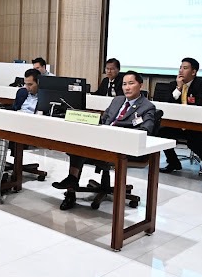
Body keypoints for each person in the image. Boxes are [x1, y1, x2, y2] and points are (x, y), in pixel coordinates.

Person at [52, 70, 156, 210]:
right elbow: (104, 119)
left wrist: (118, 134)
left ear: (140, 85)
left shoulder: (147, 107)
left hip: (122, 146)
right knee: (78, 143)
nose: (127, 87)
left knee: (82, 148)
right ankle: (71, 188)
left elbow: (146, 130)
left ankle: (71, 183)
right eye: (124, 84)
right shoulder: (117, 100)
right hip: (102, 139)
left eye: (131, 83)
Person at [157, 57, 202, 179]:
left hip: (198, 126)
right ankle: (174, 162)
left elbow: (201, 106)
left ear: (193, 72)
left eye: (185, 68)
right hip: (178, 125)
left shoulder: (201, 85)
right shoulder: (173, 85)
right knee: (161, 133)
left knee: (193, 142)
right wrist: (178, 89)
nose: (180, 71)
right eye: (180, 67)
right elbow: (167, 105)